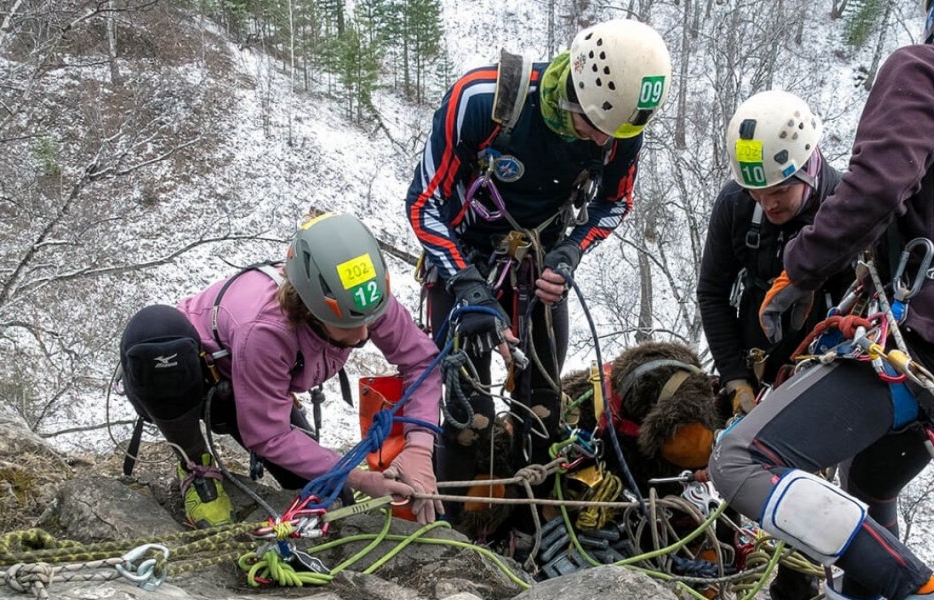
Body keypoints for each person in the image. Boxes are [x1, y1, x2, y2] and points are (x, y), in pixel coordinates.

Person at [709, 1, 934, 599]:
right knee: (868, 483)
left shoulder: (924, 69)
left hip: (923, 345)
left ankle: (922, 591)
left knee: (740, 460)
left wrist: (801, 268)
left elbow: (877, 188)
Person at [405, 18, 672, 527]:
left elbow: (616, 202)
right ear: (576, 92)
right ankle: (450, 536)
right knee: (469, 416)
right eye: (593, 126)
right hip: (462, 259)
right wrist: (467, 286)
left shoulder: (620, 130)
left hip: (538, 268)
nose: (600, 143)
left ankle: (534, 529)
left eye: (611, 134)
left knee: (545, 409)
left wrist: (570, 252)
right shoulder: (484, 100)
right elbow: (422, 203)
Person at [119, 212, 445, 527]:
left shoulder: (364, 301)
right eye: (346, 326)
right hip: (192, 378)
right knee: (157, 335)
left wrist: (419, 446)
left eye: (367, 323)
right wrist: (360, 476)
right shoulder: (268, 329)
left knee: (330, 496)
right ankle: (194, 462)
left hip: (262, 385)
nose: (362, 336)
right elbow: (268, 434)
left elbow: (421, 362)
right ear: (311, 309)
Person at [697, 89, 846, 417]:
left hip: (820, 368)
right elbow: (712, 293)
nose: (767, 205)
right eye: (756, 193)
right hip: (751, 360)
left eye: (779, 191)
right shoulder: (735, 204)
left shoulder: (846, 211)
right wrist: (734, 377)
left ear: (809, 169)